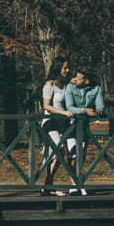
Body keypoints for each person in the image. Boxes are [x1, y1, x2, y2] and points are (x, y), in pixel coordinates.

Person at [63, 68, 105, 195]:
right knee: (72, 155)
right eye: (75, 76)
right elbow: (69, 107)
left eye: (79, 78)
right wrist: (84, 111)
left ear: (87, 81)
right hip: (70, 125)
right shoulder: (71, 87)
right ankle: (73, 185)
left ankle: (79, 183)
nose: (75, 79)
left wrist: (99, 110)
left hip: (84, 126)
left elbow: (100, 105)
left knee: (81, 155)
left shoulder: (96, 87)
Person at [40, 56, 75, 195]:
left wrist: (75, 83)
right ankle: (47, 187)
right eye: (65, 68)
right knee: (59, 152)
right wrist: (64, 112)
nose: (68, 70)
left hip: (61, 124)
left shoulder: (65, 85)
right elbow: (46, 106)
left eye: (68, 67)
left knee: (57, 155)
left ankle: (47, 187)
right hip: (50, 123)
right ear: (58, 67)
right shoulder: (49, 84)